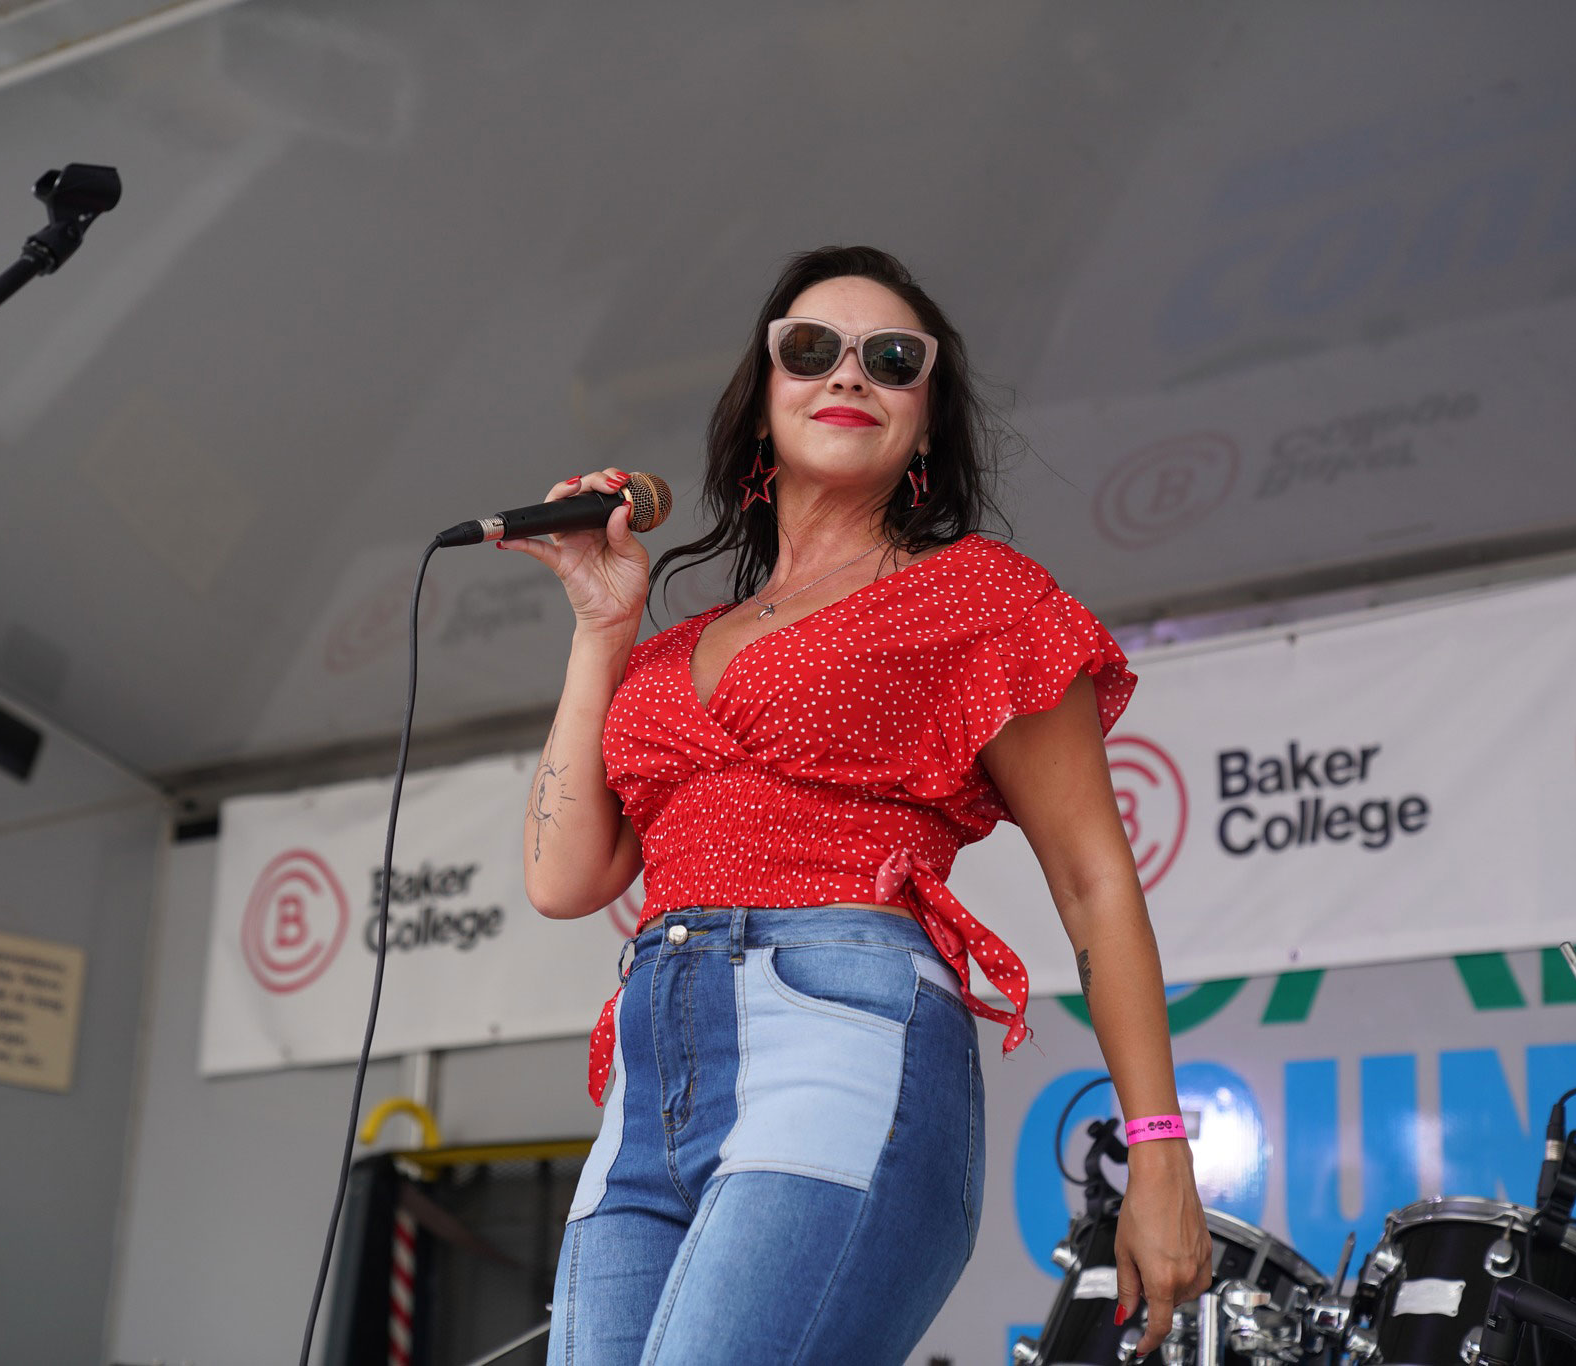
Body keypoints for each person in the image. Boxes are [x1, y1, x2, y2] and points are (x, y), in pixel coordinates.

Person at [501, 245, 1212, 1364]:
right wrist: (602, 627)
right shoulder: (670, 647)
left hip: (841, 1034)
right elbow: (562, 879)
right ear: (761, 401)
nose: (847, 374)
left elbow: (1092, 880)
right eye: (809, 349)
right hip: (650, 1079)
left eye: (891, 359)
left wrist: (1159, 1146)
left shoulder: (976, 594)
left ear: (925, 426)